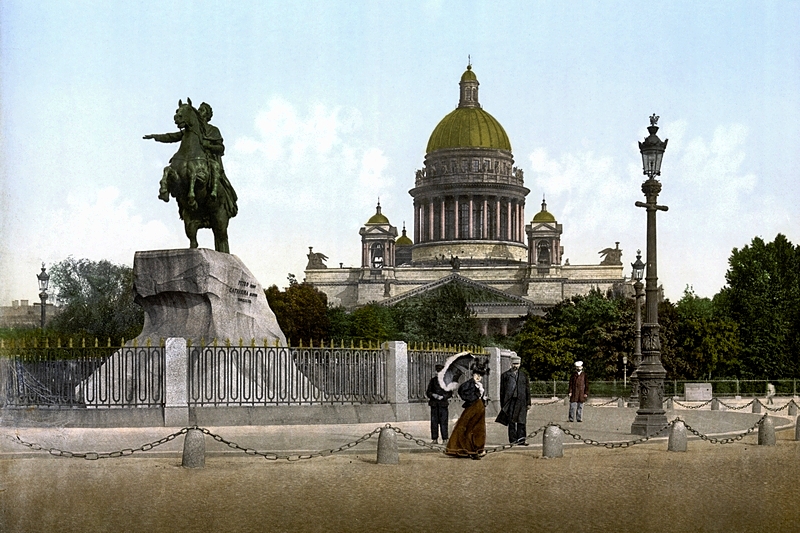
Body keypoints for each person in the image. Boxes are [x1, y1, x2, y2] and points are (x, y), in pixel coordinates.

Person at [445, 365, 489, 460]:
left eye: (480, 375)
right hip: (472, 409)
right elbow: (462, 394)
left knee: (479, 429)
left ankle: (478, 449)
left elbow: (479, 396)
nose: (478, 377)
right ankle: (469, 450)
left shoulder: (479, 385)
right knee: (469, 428)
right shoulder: (468, 384)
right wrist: (475, 397)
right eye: (477, 374)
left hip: (480, 409)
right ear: (473, 374)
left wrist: (483, 399)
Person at [497, 355, 531, 445]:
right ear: (511, 364)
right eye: (514, 363)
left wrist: (528, 403)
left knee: (521, 421)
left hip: (521, 401)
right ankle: (512, 440)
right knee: (511, 422)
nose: (515, 365)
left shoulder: (524, 375)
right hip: (510, 401)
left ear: (520, 364)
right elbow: (502, 391)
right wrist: (502, 404)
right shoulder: (505, 375)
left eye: (517, 364)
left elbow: (527, 390)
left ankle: (521, 440)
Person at [426, 363, 452, 444]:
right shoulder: (433, 381)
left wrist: (443, 397)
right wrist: (433, 395)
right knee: (434, 422)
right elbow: (428, 392)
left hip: (443, 405)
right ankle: (434, 439)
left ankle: (445, 439)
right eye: (437, 372)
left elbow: (450, 393)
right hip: (434, 404)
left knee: (444, 422)